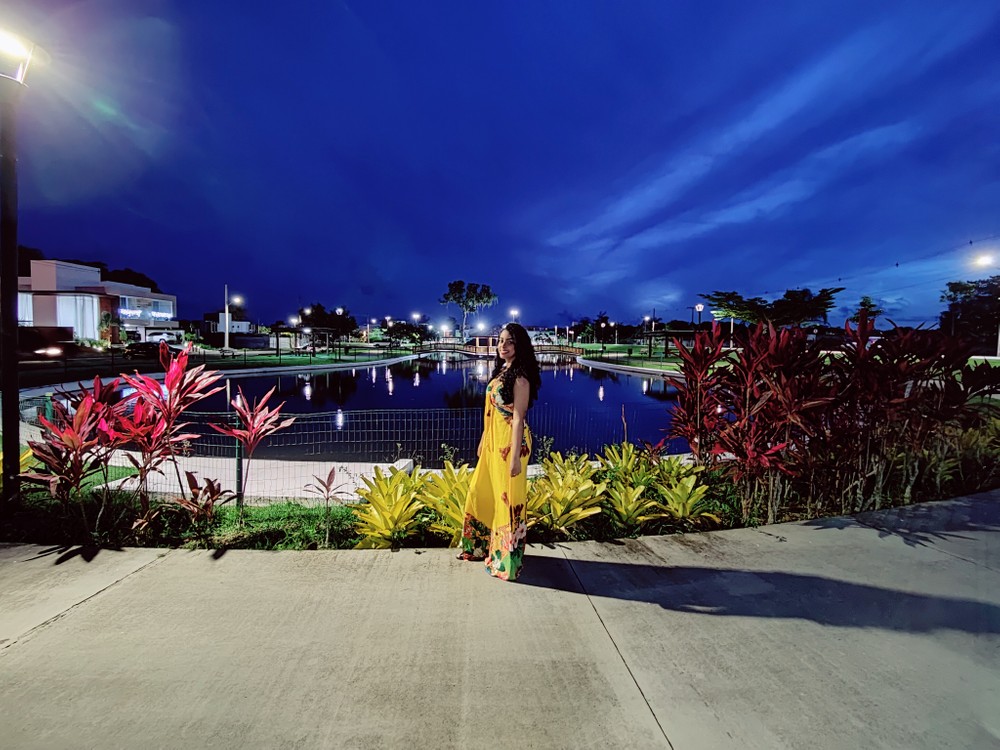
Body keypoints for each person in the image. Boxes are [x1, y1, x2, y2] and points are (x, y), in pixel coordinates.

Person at [457, 322, 542, 581]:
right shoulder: (502, 371)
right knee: (481, 489)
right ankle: (480, 546)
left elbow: (518, 418)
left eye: (509, 341)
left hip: (510, 444)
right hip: (494, 441)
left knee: (507, 498)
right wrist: (484, 438)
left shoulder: (520, 378)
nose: (502, 346)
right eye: (500, 341)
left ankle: (506, 560)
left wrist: (515, 457)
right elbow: (491, 411)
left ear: (519, 346)